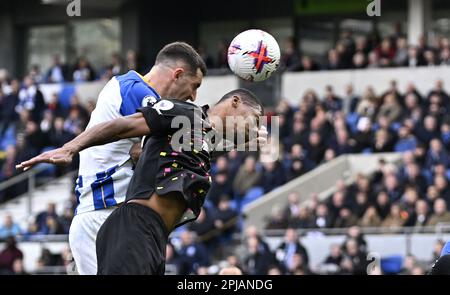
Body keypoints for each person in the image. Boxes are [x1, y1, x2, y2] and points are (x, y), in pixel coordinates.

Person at [17, 89, 266, 275]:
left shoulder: (200, 138)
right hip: (134, 227)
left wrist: (245, 141)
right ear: (235, 102)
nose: (253, 129)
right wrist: (71, 147)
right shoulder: (185, 113)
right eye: (254, 120)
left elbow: (194, 146)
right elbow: (123, 126)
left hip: (155, 236)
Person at [18, 42, 206, 275]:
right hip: (104, 217)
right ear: (177, 74)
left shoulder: (125, 85)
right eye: (194, 85)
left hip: (108, 217)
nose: (193, 96)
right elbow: (144, 149)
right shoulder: (137, 92)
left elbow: (144, 149)